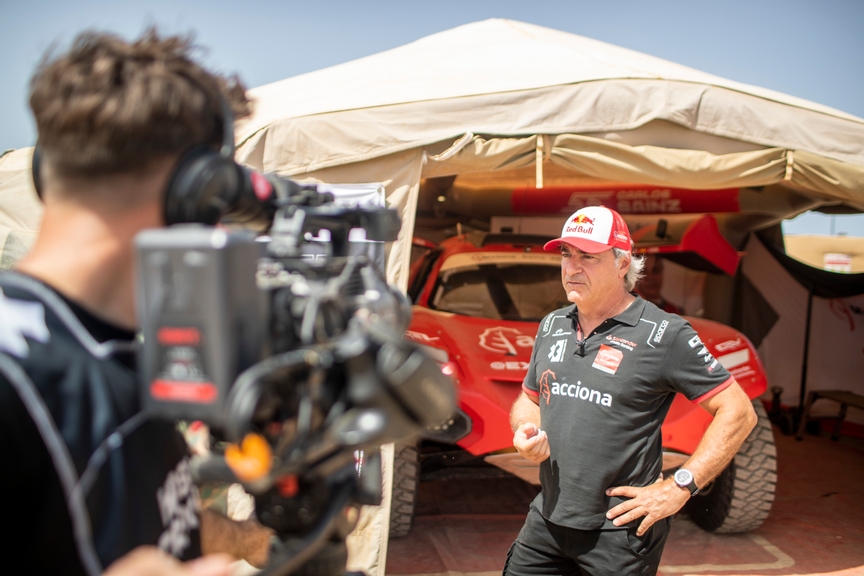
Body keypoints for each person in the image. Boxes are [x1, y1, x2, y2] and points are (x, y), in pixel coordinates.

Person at [0, 30, 272, 575]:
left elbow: (158, 518)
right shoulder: (18, 385)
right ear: (199, 191)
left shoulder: (106, 354)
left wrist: (250, 540)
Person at [505, 206, 757, 576]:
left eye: (588, 256)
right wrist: (524, 431)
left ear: (623, 263)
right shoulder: (552, 324)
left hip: (620, 533)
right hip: (547, 518)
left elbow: (738, 411)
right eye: (566, 254)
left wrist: (680, 486)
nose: (572, 267)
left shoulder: (665, 333)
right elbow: (529, 399)